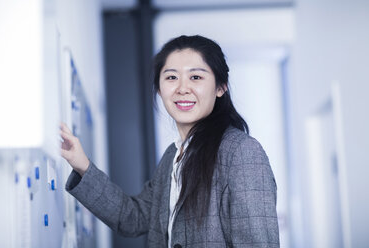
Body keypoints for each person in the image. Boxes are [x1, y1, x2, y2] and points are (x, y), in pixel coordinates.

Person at [60, 35, 279, 248]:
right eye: (171, 77)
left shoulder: (241, 152)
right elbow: (132, 218)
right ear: (159, 88)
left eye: (196, 77)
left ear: (221, 87)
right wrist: (82, 165)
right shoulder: (172, 156)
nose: (182, 88)